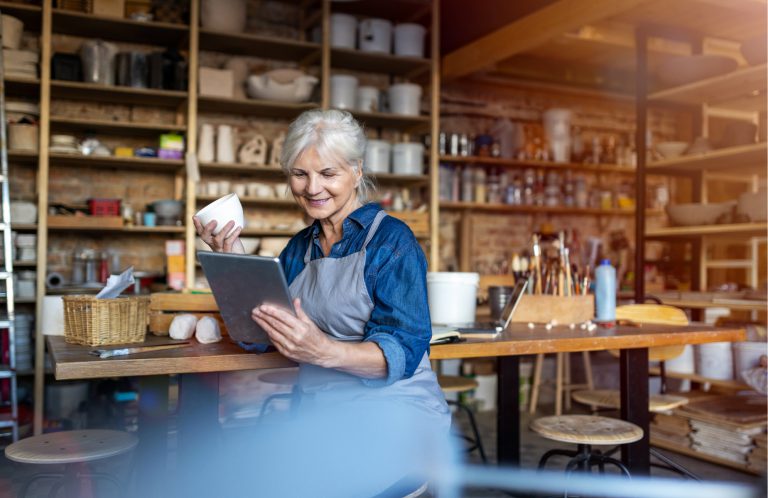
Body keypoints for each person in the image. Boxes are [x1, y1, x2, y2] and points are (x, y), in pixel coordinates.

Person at [194, 109, 451, 496]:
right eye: (300, 174)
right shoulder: (300, 247)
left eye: (328, 173)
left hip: (396, 414)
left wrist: (324, 351)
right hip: (323, 416)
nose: (313, 188)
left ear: (356, 172)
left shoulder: (391, 242)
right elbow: (260, 334)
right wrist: (235, 260)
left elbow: (402, 351)